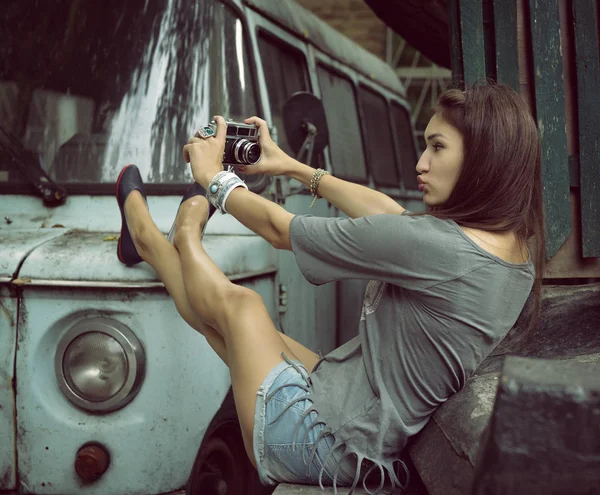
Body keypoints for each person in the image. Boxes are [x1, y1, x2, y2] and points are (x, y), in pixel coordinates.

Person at [115, 82, 544, 494]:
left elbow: (279, 230)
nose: (421, 163)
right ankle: (151, 243)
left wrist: (213, 178)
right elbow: (393, 217)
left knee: (242, 308)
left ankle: (183, 230)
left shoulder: (439, 249)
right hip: (354, 420)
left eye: (437, 146)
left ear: (484, 160)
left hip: (321, 447)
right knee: (226, 325)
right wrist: (286, 164)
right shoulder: (516, 256)